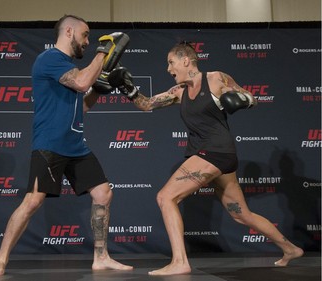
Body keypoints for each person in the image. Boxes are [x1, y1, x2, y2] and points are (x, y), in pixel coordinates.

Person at [108, 42, 304, 276]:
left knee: (165, 197)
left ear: (186, 60)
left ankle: (180, 261)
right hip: (214, 156)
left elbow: (251, 97)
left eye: (171, 62)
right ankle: (290, 248)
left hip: (215, 151)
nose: (168, 69)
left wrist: (241, 100)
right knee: (241, 214)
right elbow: (147, 104)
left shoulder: (216, 79)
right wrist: (127, 88)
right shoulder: (179, 91)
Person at [0, 15, 133, 276]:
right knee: (32, 201)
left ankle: (101, 257)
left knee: (103, 193)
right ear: (68, 31)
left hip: (76, 145)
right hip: (50, 144)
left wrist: (99, 90)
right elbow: (82, 82)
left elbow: (82, 106)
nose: (88, 41)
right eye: (85, 35)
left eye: (91, 38)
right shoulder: (50, 59)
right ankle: (0, 260)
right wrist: (104, 51)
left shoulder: (66, 66)